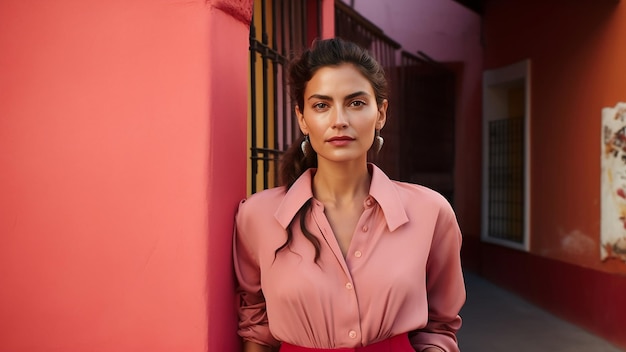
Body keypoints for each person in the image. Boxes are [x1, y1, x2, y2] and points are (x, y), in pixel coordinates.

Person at [233, 37, 465, 352]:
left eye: (356, 103)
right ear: (303, 118)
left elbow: (440, 326)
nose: (339, 120)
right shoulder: (257, 217)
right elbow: (256, 328)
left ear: (381, 113)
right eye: (321, 105)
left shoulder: (431, 212)